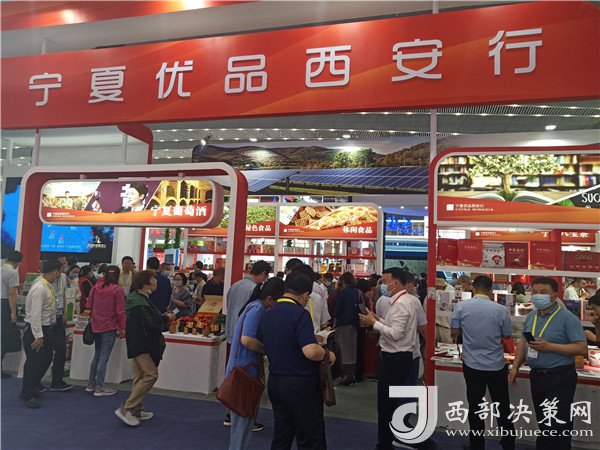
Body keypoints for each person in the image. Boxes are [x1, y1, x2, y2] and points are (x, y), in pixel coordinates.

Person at [508, 277, 588, 450]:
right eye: (535, 292)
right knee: (544, 421)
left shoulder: (567, 318)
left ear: (554, 295)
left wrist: (550, 347)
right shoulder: (532, 316)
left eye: (543, 292)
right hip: (537, 375)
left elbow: (582, 348)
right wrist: (515, 367)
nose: (538, 296)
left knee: (558, 425)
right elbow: (523, 341)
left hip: (560, 376)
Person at [262, 271, 334, 450]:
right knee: (310, 437)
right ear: (305, 295)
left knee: (282, 435)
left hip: (276, 380)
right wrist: (327, 355)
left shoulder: (269, 312)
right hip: (300, 382)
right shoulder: (300, 314)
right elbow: (310, 351)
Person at [451, 275, 515, 450]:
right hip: (496, 365)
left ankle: (477, 444)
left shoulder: (461, 306)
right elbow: (507, 334)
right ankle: (508, 443)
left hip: (472, 365)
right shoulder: (500, 309)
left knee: (475, 406)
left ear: (473, 288)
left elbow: (455, 331)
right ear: (490, 290)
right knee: (502, 406)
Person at [359, 268, 418, 450]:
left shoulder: (402, 304)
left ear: (396, 283)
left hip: (395, 358)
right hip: (398, 357)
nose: (382, 286)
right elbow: (393, 327)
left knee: (386, 404)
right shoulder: (402, 301)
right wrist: (377, 320)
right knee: (389, 403)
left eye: (385, 282)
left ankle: (386, 443)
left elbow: (396, 334)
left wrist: (373, 324)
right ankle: (390, 439)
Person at [227, 277, 285, 450]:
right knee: (241, 421)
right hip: (243, 370)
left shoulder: (256, 307)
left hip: (246, 369)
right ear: (270, 298)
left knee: (246, 418)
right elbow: (246, 339)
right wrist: (266, 349)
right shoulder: (257, 308)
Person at [116, 270, 175, 426]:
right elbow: (150, 324)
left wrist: (162, 317)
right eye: (153, 279)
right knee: (151, 374)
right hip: (142, 342)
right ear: (145, 284)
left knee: (140, 376)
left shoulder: (138, 299)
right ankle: (127, 407)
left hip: (138, 341)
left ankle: (136, 409)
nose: (156, 282)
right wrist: (166, 318)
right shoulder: (139, 302)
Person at [223, 260, 271, 428]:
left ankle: (230, 414)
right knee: (244, 378)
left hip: (233, 333)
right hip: (246, 338)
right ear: (263, 274)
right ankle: (241, 417)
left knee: (233, 376)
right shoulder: (255, 295)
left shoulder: (235, 285)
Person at [20, 260, 62, 408]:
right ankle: (28, 394)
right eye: (60, 272)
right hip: (36, 330)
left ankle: (33, 385)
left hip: (46, 329)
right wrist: (38, 335)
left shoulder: (48, 287)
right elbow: (35, 314)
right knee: (34, 362)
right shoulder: (39, 288)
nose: (60, 275)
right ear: (55, 271)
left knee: (46, 359)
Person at [85, 265, 125, 396]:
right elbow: (120, 311)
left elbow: (88, 305)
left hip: (96, 325)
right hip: (109, 326)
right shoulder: (118, 290)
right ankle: (99, 387)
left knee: (97, 355)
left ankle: (91, 384)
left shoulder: (96, 288)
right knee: (103, 357)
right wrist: (123, 327)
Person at [35, 259, 73, 392]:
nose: (60, 273)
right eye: (60, 270)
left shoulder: (62, 278)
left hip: (58, 317)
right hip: (46, 321)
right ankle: (35, 382)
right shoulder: (39, 283)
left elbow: (63, 295)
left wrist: (64, 313)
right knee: (46, 353)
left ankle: (57, 381)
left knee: (61, 350)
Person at [334, 272, 362, 386]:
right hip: (354, 324)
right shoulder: (358, 293)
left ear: (343, 281)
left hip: (342, 324)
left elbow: (337, 311)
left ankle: (346, 375)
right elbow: (362, 308)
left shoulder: (341, 293)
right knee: (352, 349)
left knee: (342, 350)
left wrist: (334, 325)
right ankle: (351, 373)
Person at [1, 250, 23, 377]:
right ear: (18, 262)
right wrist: (13, 314)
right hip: (4, 305)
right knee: (3, 337)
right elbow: (11, 294)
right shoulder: (13, 272)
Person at [435, 277, 455, 343]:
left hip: (433, 328)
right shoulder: (451, 296)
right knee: (447, 348)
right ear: (444, 287)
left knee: (433, 348)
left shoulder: (429, 297)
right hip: (446, 329)